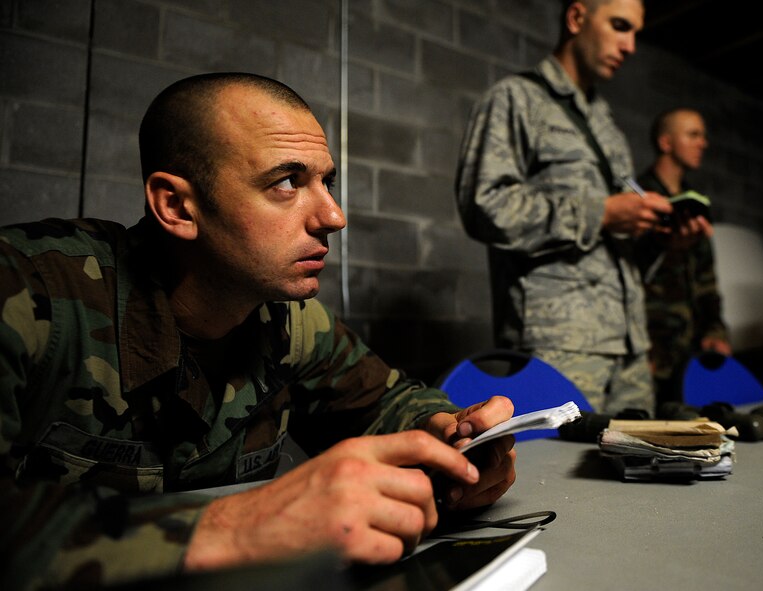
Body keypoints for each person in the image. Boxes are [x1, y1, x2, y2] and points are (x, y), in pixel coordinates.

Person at [0, 73, 517, 590]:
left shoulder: (288, 320)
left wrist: (452, 435)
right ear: (177, 206)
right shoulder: (26, 296)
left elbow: (385, 404)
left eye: (326, 182)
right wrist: (243, 525)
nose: (334, 217)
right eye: (286, 182)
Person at [455, 0, 705, 415]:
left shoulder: (607, 125)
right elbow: (483, 205)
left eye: (635, 33)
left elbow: (616, 251)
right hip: (560, 344)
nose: (630, 46)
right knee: (552, 476)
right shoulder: (516, 99)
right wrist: (602, 213)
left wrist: (664, 243)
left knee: (640, 467)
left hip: (629, 345)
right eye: (620, 26)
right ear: (576, 19)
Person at [637, 107, 730, 410]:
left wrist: (715, 330)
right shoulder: (636, 201)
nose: (703, 143)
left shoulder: (696, 205)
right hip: (647, 349)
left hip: (688, 349)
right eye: (693, 134)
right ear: (666, 143)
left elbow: (706, 278)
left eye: (703, 135)